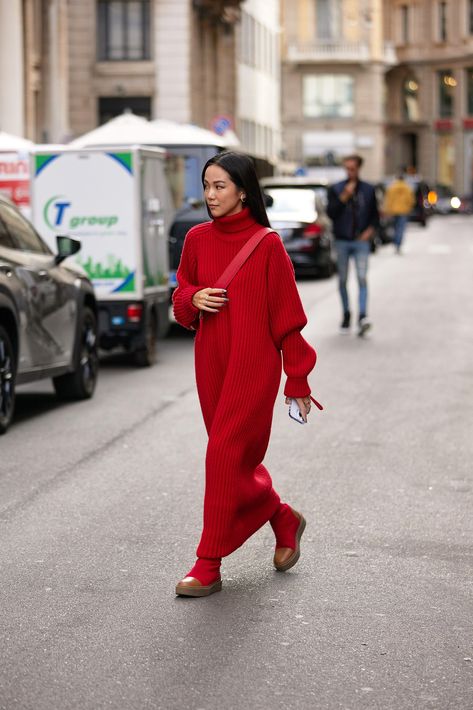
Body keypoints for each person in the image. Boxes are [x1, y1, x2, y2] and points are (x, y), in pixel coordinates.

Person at [172, 151, 319, 597]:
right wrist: (193, 298)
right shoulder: (197, 239)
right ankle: (282, 516)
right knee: (232, 460)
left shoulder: (267, 245)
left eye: (220, 186)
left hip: (253, 368)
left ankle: (208, 562)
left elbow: (288, 319)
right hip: (211, 362)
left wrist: (297, 379)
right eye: (207, 185)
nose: (211, 195)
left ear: (242, 190)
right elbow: (180, 296)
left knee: (221, 456)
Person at [327, 155, 379, 336]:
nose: (350, 172)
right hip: (342, 240)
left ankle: (362, 316)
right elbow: (331, 213)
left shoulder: (368, 189)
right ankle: (346, 314)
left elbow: (375, 215)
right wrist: (344, 197)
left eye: (353, 168)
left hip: (360, 242)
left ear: (358, 168)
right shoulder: (336, 189)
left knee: (362, 278)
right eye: (347, 168)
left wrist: (368, 232)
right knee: (342, 280)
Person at [383, 174, 415, 253]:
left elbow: (388, 200)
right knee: (400, 228)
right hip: (403, 211)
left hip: (393, 211)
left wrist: (388, 210)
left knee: (394, 228)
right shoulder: (407, 188)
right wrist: (409, 208)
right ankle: (398, 244)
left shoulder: (392, 188)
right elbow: (411, 200)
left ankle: (395, 242)